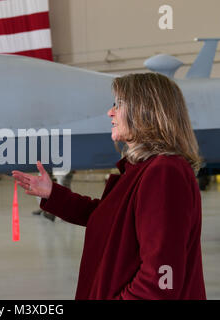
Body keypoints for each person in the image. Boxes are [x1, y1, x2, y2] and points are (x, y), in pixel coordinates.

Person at [12, 73, 206, 300]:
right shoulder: (145, 169)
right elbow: (111, 220)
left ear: (145, 111)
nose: (110, 112)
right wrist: (53, 194)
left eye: (119, 104)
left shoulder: (164, 173)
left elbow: (161, 279)